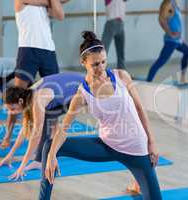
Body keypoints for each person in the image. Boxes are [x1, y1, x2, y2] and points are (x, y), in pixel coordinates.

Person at [41, 31, 162, 200]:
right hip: (106, 146)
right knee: (49, 146)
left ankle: (136, 187)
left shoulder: (121, 76)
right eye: (95, 64)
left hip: (136, 149)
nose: (101, 68)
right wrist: (52, 155)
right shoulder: (82, 94)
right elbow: (64, 127)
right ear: (84, 63)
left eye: (103, 62)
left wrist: (152, 142)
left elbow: (140, 108)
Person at [0, 0, 70, 149]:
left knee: (54, 95)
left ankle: (52, 137)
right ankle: (7, 136)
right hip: (27, 50)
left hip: (48, 50)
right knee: (16, 96)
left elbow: (60, 14)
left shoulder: (46, 4)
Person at [0, 72, 85, 173]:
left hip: (82, 89)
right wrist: (10, 156)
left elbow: (36, 136)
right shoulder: (28, 94)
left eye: (12, 109)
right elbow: (24, 130)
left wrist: (22, 165)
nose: (11, 113)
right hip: (71, 87)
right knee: (43, 119)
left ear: (20, 101)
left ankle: (39, 160)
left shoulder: (37, 100)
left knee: (43, 121)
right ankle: (39, 160)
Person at [146, 0, 188, 83]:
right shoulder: (167, 3)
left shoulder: (174, 3)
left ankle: (183, 77)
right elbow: (161, 19)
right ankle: (148, 81)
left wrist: (180, 37)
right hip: (171, 41)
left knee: (187, 51)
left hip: (178, 41)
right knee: (161, 61)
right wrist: (170, 33)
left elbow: (176, 22)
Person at [102, 0, 127, 69]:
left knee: (120, 52)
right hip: (112, 23)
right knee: (103, 50)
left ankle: (122, 71)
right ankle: (100, 70)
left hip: (120, 24)